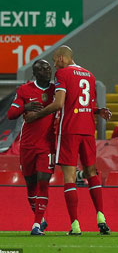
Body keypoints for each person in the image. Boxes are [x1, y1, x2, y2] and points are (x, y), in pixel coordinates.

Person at [25, 46, 112, 235]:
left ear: (63, 58)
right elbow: (87, 104)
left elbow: (59, 104)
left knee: (69, 178)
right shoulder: (89, 75)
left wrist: (35, 115)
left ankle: (75, 226)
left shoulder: (63, 74)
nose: (54, 65)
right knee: (91, 172)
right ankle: (101, 218)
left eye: (56, 60)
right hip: (88, 129)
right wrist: (98, 111)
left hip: (70, 130)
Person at [8, 60, 55, 235]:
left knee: (43, 182)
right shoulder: (24, 90)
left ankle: (36, 225)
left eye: (48, 68)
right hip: (27, 144)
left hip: (47, 144)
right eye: (42, 69)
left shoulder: (55, 91)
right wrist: (24, 106)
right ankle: (40, 219)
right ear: (35, 73)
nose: (47, 70)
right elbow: (11, 114)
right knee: (31, 184)